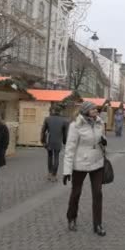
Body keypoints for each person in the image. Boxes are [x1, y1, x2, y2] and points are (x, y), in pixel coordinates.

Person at [63, 101, 107, 236]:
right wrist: (66, 170)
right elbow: (69, 149)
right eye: (93, 109)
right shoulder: (75, 126)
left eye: (96, 109)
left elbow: (101, 139)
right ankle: (71, 218)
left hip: (97, 162)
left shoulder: (100, 123)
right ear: (86, 111)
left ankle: (98, 224)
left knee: (98, 194)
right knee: (76, 193)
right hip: (80, 164)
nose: (96, 111)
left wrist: (104, 141)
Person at [41, 106, 68, 182]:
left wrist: (42, 141)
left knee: (49, 156)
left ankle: (49, 173)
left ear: (53, 110)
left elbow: (43, 131)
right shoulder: (64, 120)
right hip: (58, 141)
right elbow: (65, 134)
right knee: (56, 157)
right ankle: (54, 175)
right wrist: (65, 142)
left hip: (49, 141)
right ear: (60, 112)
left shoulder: (48, 119)